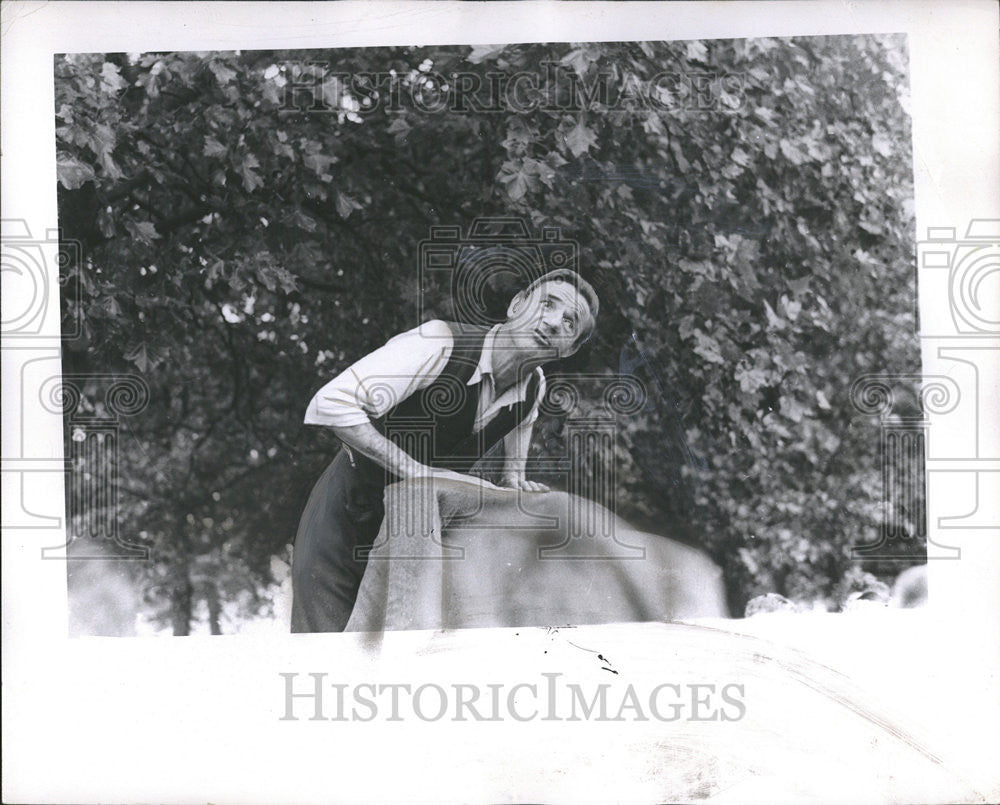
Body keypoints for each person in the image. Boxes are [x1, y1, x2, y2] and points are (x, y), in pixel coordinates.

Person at [291, 269, 600, 632]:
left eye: (569, 323)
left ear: (569, 348)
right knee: (325, 657)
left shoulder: (535, 388)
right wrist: (416, 470)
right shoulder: (438, 342)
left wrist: (515, 477)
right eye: (546, 304)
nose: (551, 322)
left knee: (393, 658)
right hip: (344, 521)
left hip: (415, 543)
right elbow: (331, 402)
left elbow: (520, 431)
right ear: (517, 304)